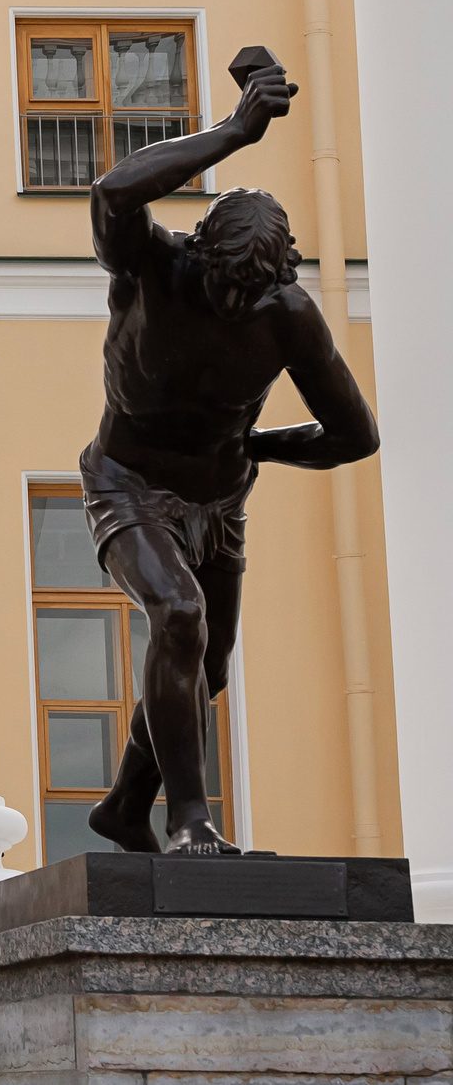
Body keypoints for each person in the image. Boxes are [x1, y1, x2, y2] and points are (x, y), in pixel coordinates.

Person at [80, 57, 377, 855]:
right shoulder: (152, 266)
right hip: (128, 480)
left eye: (250, 297)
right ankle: (190, 821)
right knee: (178, 617)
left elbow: (355, 435)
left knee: (204, 667)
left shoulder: (287, 317)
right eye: (221, 289)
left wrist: (259, 449)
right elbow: (111, 191)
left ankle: (121, 808)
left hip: (220, 497)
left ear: (276, 282)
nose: (231, 307)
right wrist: (236, 131)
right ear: (200, 251)